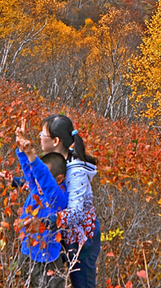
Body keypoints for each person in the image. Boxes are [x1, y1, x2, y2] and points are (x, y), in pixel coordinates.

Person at [41, 114, 100, 288]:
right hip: (64, 235)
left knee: (83, 285)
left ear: (55, 141)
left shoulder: (76, 172)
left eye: (42, 135)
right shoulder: (58, 162)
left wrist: (50, 221)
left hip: (83, 240)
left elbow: (76, 212)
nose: (39, 139)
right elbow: (45, 180)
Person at [12, 119, 69, 288]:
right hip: (27, 253)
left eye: (43, 179)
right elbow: (32, 174)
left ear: (59, 180)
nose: (38, 182)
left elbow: (44, 179)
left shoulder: (57, 199)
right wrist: (23, 151)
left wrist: (32, 155)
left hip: (48, 262)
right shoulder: (37, 191)